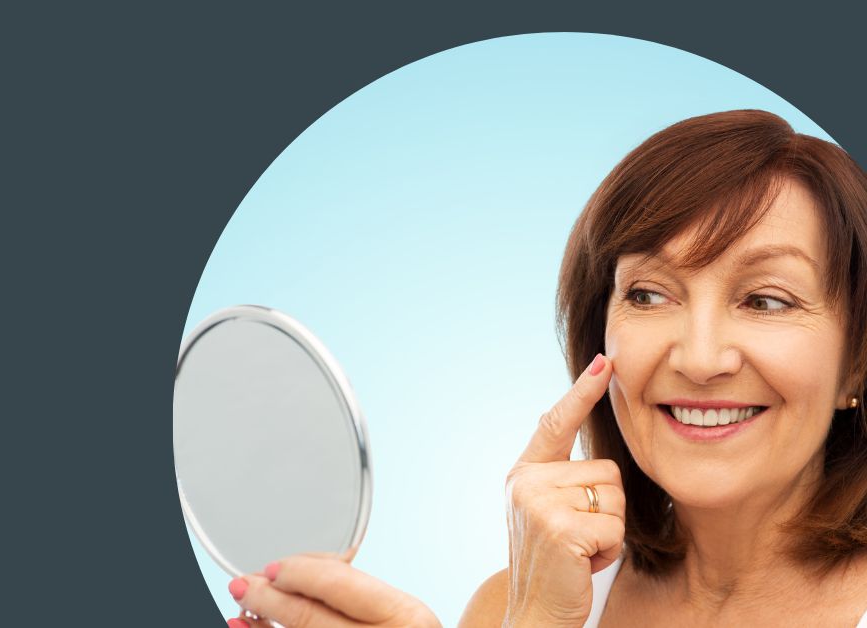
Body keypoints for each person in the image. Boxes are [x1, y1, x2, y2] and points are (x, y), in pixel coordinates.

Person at [221, 109, 867, 628]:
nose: (699, 360)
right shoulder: (510, 607)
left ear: (856, 365)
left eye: (765, 300)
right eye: (648, 294)